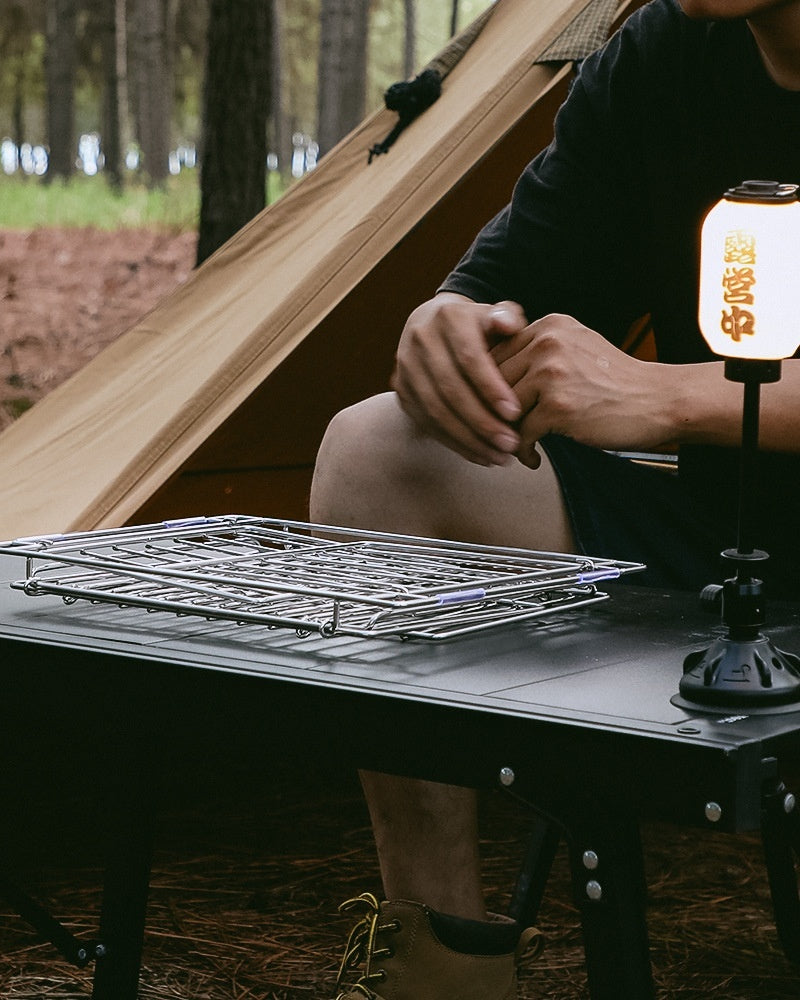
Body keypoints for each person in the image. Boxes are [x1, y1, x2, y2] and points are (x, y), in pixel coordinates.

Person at [310, 1, 800, 998]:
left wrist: (666, 395)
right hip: (723, 551)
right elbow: (516, 284)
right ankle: (440, 964)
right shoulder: (662, 57)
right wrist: (449, 329)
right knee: (380, 451)